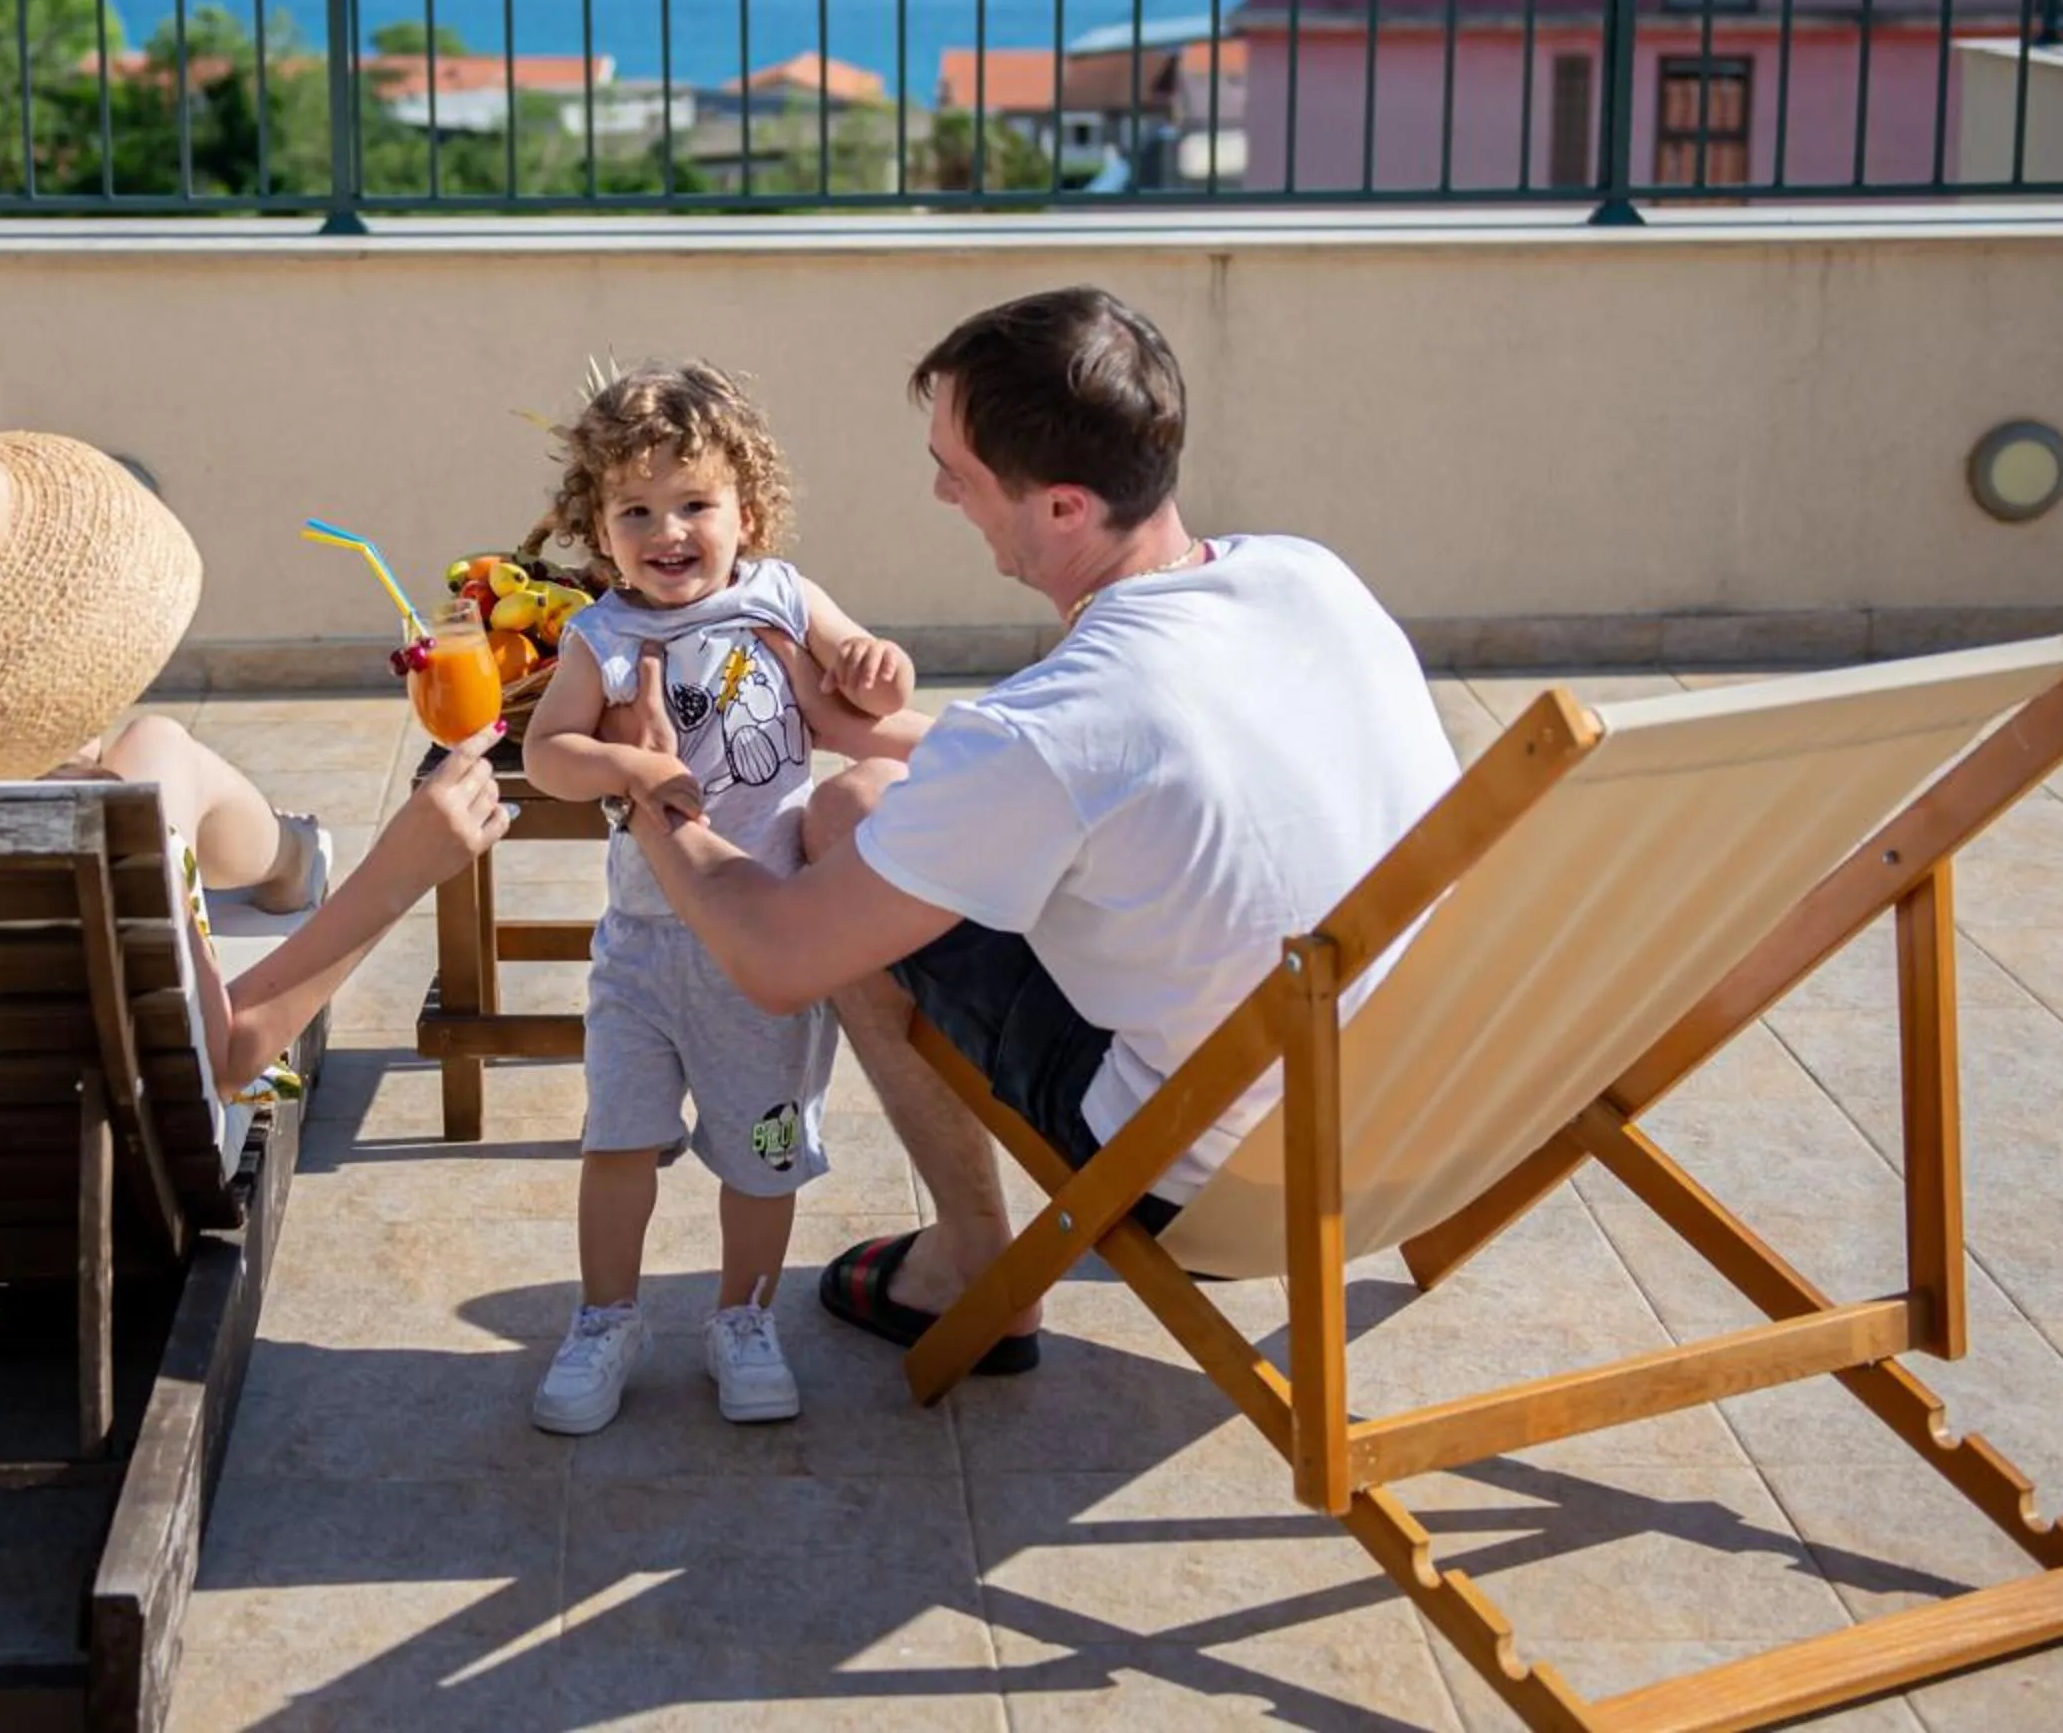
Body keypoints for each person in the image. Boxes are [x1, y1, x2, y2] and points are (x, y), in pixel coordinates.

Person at [612, 289, 1459, 1372]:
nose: (939, 490)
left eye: (957, 474)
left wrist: (651, 789)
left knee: (846, 815)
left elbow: (777, 960)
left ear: (1061, 508)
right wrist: (885, 729)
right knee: (897, 789)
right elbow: (1112, 758)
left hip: (1215, 1179)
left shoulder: (1060, 723)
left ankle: (974, 1260)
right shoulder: (1308, 576)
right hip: (1433, 1112)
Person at [0, 387, 512, 1099]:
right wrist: (402, 871)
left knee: (151, 755)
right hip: (44, 1176)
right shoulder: (93, 835)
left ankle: (286, 860)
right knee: (152, 757)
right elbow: (223, 1061)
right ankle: (292, 863)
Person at [517, 362, 918, 1434]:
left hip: (765, 955)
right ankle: (607, 1316)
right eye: (635, 510)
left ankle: (745, 1315)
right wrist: (629, 772)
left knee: (768, 1151)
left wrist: (878, 668)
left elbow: (872, 679)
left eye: (694, 503)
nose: (668, 530)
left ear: (747, 510)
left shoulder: (785, 595)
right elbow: (545, 751)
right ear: (599, 531)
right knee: (616, 1143)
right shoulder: (602, 636)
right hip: (644, 952)